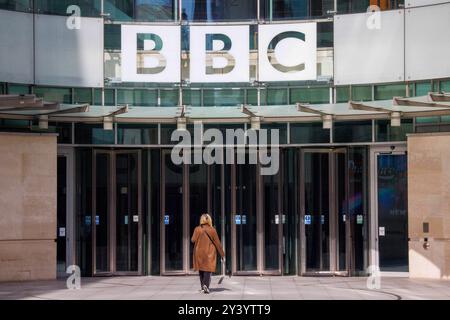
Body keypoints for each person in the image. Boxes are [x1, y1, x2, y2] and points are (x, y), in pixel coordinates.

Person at [191, 213, 225, 294]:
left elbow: (193, 240)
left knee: (201, 269)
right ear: (209, 220)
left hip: (199, 252)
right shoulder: (212, 230)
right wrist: (222, 255)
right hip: (209, 252)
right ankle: (206, 285)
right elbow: (218, 243)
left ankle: (203, 286)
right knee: (208, 269)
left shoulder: (197, 229)